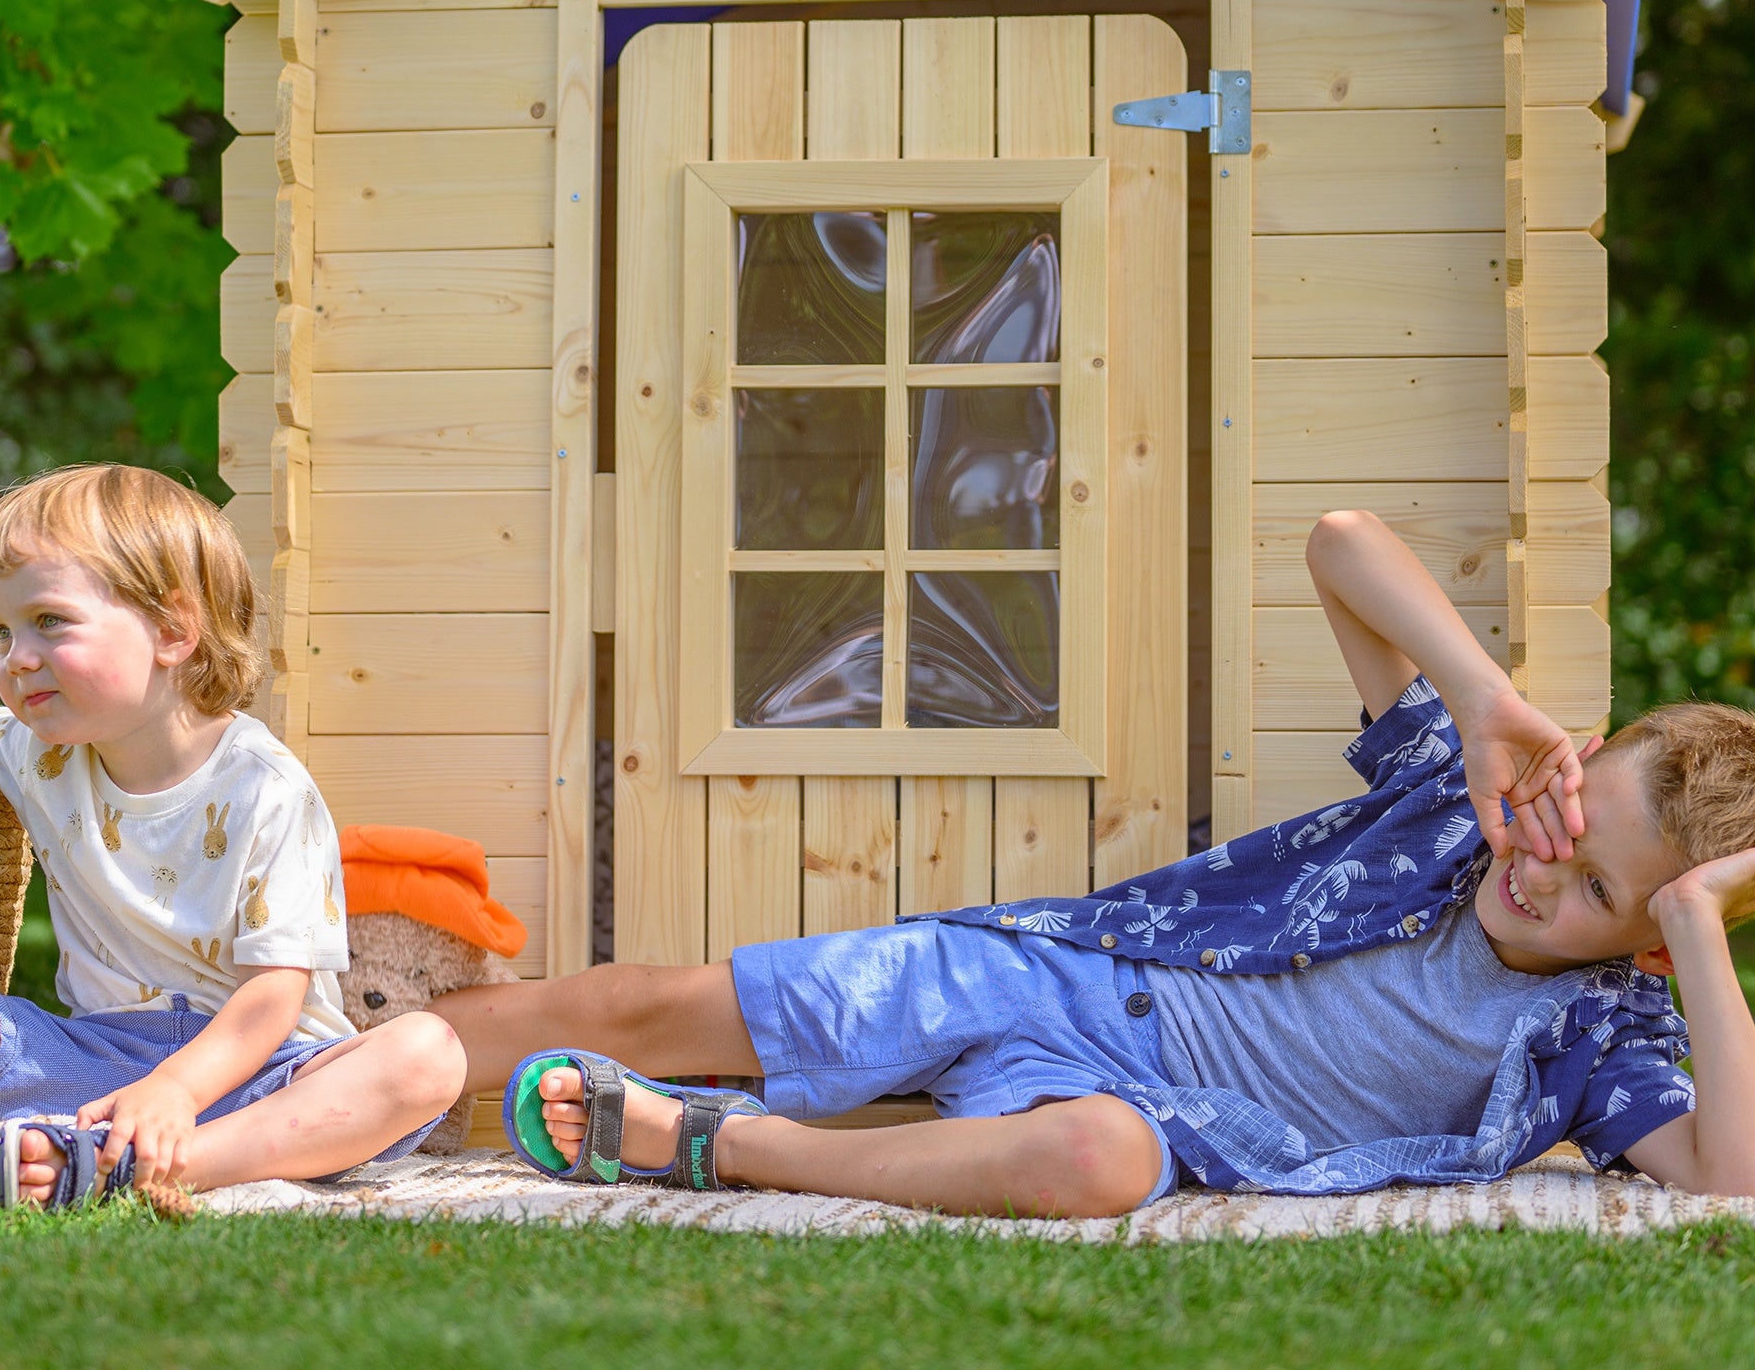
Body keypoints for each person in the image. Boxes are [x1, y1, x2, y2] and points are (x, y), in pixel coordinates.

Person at [433, 510, 1755, 1215]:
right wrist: (1476, 697)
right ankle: (356, 1063)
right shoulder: (1448, 799)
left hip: (1143, 1114)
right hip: (1058, 974)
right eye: (1567, 826)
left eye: (1598, 889)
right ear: (1573, 766)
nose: (1541, 871)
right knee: (650, 1001)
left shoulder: (1604, 1036)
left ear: (1651, 938)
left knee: (1098, 1166)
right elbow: (1340, 540)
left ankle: (734, 1149)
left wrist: (1698, 922)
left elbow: (1728, 1177)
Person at [0, 464, 463, 1211]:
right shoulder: (37, 750)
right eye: (0, 632)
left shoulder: (267, 787)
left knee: (426, 1054)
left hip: (264, 1079)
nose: (15, 658)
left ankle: (153, 1166)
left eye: (49, 621)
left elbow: (272, 994)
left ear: (172, 630)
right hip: (92, 1058)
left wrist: (175, 1090)